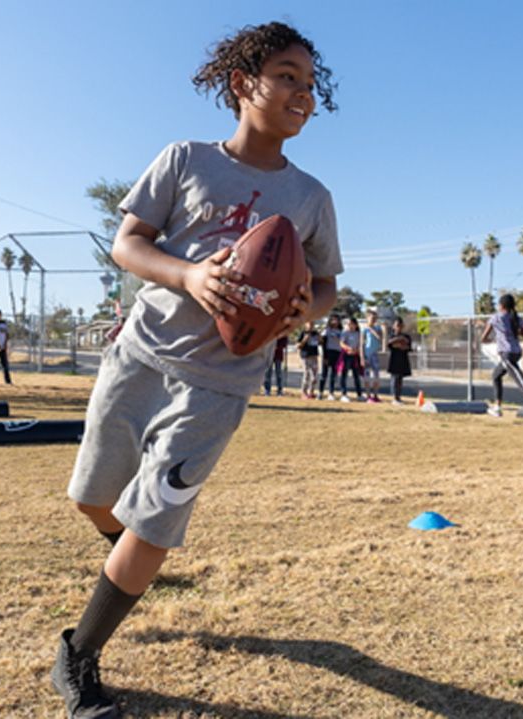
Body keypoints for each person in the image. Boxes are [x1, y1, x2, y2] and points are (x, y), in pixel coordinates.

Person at [52, 21, 341, 719]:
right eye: (287, 76)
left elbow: (327, 283)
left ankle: (79, 653)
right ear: (243, 85)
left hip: (223, 380)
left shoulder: (310, 197)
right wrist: (188, 276)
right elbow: (128, 244)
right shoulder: (185, 159)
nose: (303, 92)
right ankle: (125, 556)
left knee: (155, 521)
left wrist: (302, 307)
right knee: (95, 498)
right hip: (143, 354)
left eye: (310, 82)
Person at [480, 293, 523, 424]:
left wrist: (491, 340)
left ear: (501, 305)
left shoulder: (496, 318)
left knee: (520, 381)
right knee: (496, 376)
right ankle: (497, 407)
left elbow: (483, 338)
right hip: (516, 352)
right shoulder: (516, 318)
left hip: (506, 353)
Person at [338, 316, 364, 402]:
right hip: (347, 355)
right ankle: (343, 394)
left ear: (355, 325)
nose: (350, 326)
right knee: (344, 375)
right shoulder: (345, 333)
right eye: (348, 324)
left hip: (355, 356)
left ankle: (359, 394)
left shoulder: (358, 333)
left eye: (351, 324)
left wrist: (356, 350)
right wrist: (349, 349)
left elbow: (360, 344)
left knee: (356, 375)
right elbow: (341, 343)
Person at [387, 317, 413, 404]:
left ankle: (398, 396)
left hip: (403, 361)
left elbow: (407, 346)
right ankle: (394, 397)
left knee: (400, 380)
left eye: (400, 325)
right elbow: (391, 344)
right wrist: (398, 341)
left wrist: (401, 344)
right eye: (397, 325)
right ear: (394, 326)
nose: (399, 327)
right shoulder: (391, 336)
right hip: (394, 361)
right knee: (394, 379)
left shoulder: (406, 336)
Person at [361, 310, 384, 402]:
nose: (373, 320)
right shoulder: (364, 329)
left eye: (375, 318)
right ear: (367, 318)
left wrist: (372, 329)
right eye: (371, 318)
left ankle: (375, 395)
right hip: (367, 354)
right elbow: (361, 343)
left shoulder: (378, 328)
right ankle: (368, 395)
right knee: (367, 376)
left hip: (375, 354)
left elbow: (380, 338)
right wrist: (362, 357)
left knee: (376, 376)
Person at [319, 313, 342, 400]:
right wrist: (325, 356)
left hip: (337, 353)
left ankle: (331, 393)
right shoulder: (327, 330)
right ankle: (320, 392)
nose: (335, 322)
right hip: (328, 353)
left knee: (333, 374)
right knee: (324, 374)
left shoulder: (341, 331)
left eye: (337, 320)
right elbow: (322, 343)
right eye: (333, 320)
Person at [296, 321, 320, 398]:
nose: (311, 326)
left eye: (312, 324)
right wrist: (304, 340)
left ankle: (311, 392)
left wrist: (320, 338)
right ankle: (304, 392)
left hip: (314, 356)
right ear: (305, 324)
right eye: (309, 324)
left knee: (314, 376)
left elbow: (320, 342)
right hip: (305, 356)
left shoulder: (316, 334)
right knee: (306, 374)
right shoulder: (303, 333)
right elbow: (298, 346)